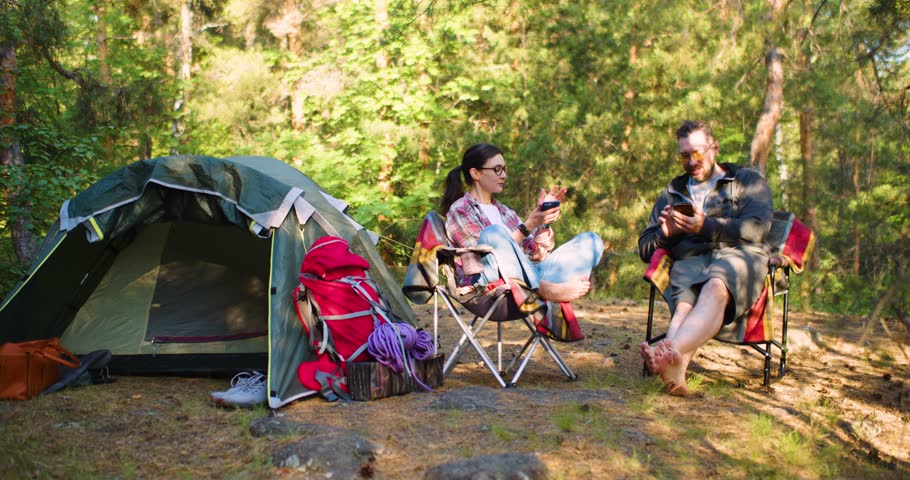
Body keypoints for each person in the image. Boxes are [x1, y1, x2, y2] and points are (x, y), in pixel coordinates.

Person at [638, 120, 773, 396]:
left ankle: (672, 348)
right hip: (690, 260)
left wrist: (706, 227)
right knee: (685, 303)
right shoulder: (672, 193)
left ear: (715, 148)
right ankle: (674, 367)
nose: (691, 161)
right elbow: (644, 248)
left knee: (715, 285)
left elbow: (758, 228)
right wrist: (665, 235)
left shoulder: (746, 181)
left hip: (740, 255)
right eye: (684, 155)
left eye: (697, 153)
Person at [440, 143, 603, 303]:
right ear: (475, 173)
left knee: (591, 240)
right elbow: (485, 257)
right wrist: (528, 225)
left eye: (504, 170)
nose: (503, 175)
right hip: (490, 284)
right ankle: (546, 290)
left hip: (530, 277)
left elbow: (538, 254)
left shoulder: (504, 211)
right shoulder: (460, 209)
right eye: (497, 169)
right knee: (493, 234)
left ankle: (547, 287)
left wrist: (543, 221)